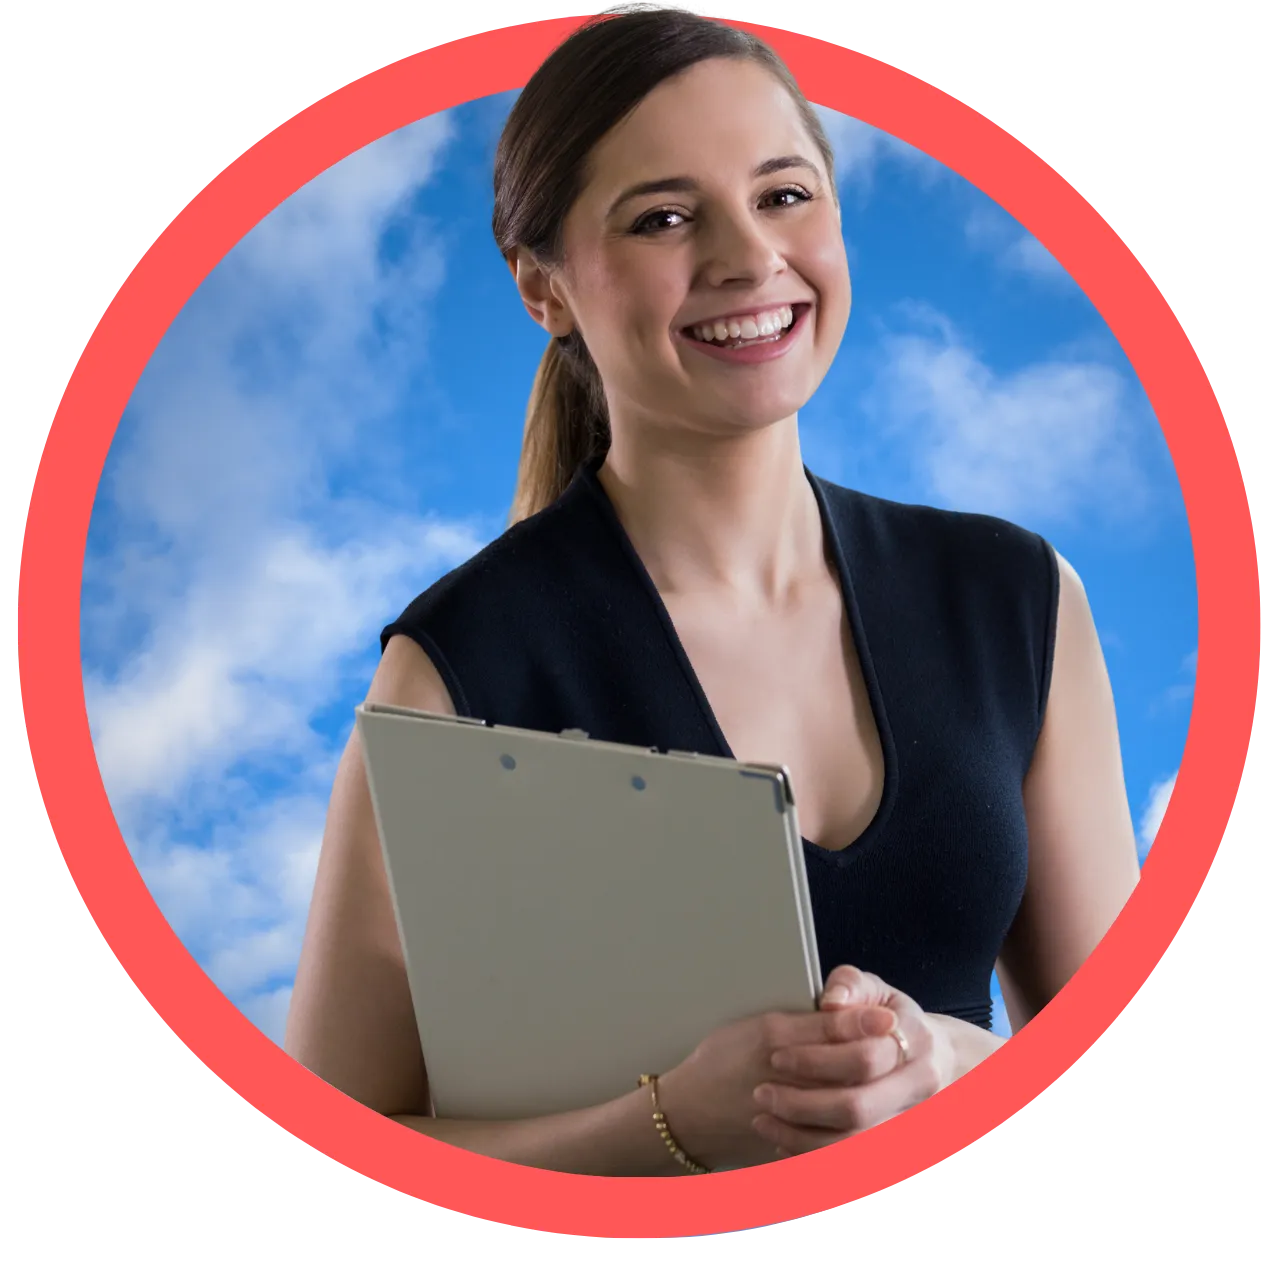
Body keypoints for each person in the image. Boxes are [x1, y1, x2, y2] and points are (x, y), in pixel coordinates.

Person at [284, 6, 1140, 1176]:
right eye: (664, 217)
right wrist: (670, 1126)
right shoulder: (455, 671)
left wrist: (947, 1060)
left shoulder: (1016, 599)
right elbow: (342, 1138)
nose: (747, 256)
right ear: (542, 287)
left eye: (782, 194)